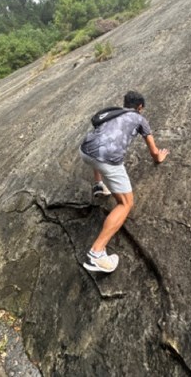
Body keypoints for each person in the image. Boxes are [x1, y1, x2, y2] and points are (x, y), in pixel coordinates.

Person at [79, 90, 169, 273]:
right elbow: (152, 149)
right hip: (107, 160)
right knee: (126, 203)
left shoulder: (113, 113)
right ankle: (96, 253)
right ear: (140, 107)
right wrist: (158, 157)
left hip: (85, 151)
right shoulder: (139, 119)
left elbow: (100, 135)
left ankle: (99, 185)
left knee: (100, 150)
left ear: (125, 103)